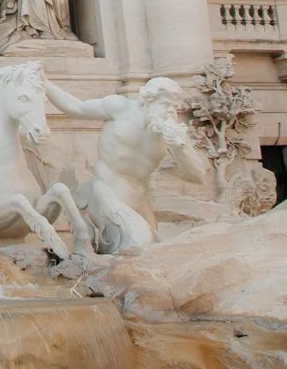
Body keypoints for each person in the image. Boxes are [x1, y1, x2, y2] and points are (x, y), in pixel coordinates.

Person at [41, 76, 210, 253]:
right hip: (106, 192)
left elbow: (197, 176)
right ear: (147, 100)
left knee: (155, 253)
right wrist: (45, 84)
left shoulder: (171, 129)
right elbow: (76, 108)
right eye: (166, 105)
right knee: (139, 244)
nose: (170, 111)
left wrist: (180, 148)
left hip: (140, 201)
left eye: (174, 107)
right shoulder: (120, 108)